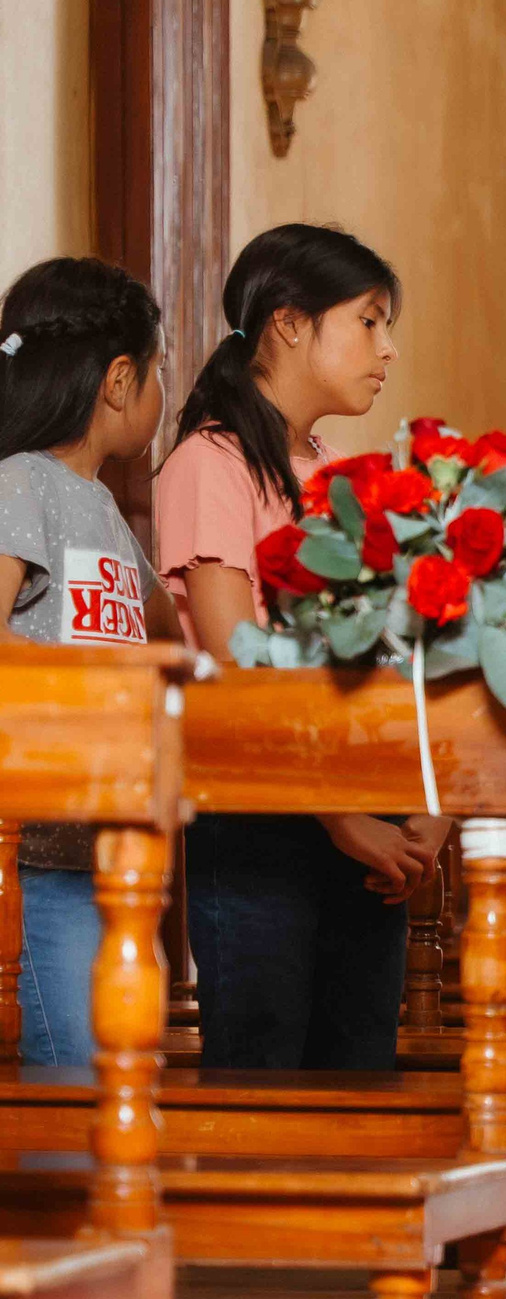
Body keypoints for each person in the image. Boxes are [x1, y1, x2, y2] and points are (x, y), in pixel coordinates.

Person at [153, 224, 439, 1299]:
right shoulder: (211, 463)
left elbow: (387, 665)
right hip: (263, 817)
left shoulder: (334, 474)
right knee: (260, 1079)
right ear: (287, 325)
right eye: (367, 323)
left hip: (357, 809)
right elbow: (238, 662)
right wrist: (340, 819)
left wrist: (415, 811)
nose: (383, 351)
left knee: (353, 1079)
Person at [0, 257, 185, 1068]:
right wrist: (96, 693)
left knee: (117, 1063)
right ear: (118, 380)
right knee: (75, 1072)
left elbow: (163, 629)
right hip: (35, 850)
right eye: (158, 369)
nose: (161, 389)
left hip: (104, 845)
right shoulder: (21, 483)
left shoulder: (103, 505)